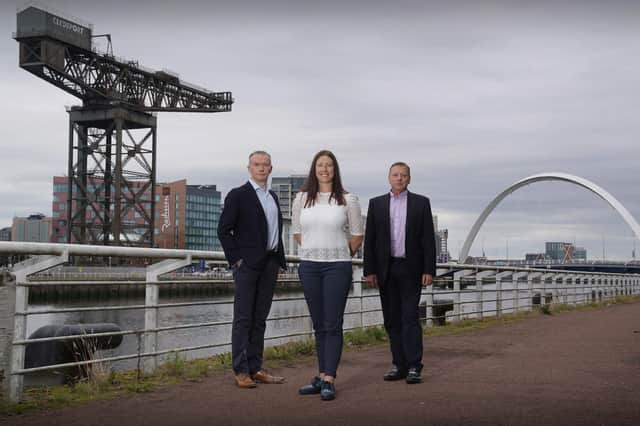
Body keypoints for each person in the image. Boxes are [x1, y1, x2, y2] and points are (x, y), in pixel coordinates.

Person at [292, 150, 364, 401]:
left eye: (329, 165)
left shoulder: (348, 199)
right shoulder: (301, 198)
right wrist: (314, 250)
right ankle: (321, 375)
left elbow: (357, 235)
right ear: (314, 169)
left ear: (335, 170)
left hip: (337, 267)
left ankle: (330, 379)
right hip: (309, 266)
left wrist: (339, 252)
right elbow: (297, 232)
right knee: (319, 324)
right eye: (320, 165)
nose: (324, 169)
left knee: (333, 324)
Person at [217, 150, 287, 388]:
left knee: (260, 319)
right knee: (243, 318)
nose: (261, 168)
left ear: (270, 168)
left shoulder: (273, 197)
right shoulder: (238, 195)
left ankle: (256, 367)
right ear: (249, 168)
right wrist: (236, 261)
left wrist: (279, 260)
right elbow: (224, 230)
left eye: (265, 165)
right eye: (257, 164)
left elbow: (274, 231)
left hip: (270, 264)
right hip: (247, 266)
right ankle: (241, 370)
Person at [363, 161, 437, 384]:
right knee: (392, 319)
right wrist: (370, 270)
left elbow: (428, 239)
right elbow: (371, 240)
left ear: (409, 179)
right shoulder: (376, 204)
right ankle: (399, 364)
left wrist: (428, 269)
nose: (399, 178)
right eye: (395, 175)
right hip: (386, 268)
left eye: (403, 175)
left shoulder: (421, 203)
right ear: (389, 178)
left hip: (411, 268)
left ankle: (415, 365)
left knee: (410, 317)